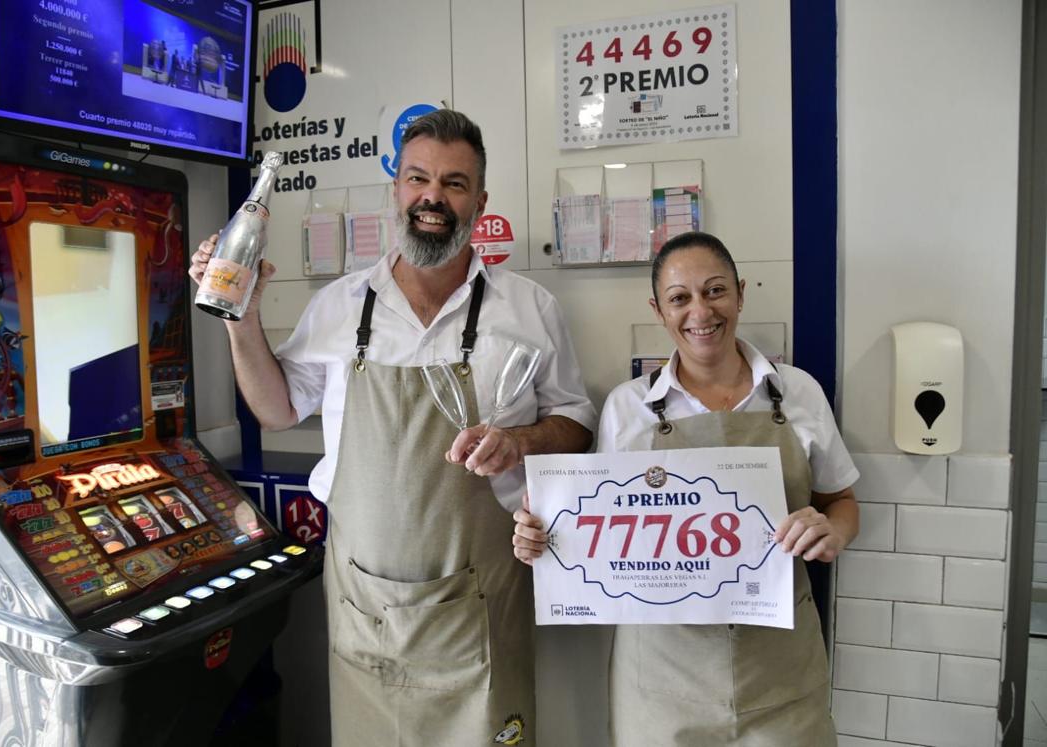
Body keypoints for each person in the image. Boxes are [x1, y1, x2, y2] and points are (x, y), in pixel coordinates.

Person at [189, 109, 596, 745]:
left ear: (480, 201)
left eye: (455, 183)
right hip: (365, 605)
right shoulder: (340, 305)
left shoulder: (529, 308)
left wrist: (520, 442)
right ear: (396, 189)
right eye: (418, 179)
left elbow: (576, 423)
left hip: (483, 602)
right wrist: (240, 316)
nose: (433, 197)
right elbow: (275, 409)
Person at [512, 231, 859, 745]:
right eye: (680, 298)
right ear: (659, 309)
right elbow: (598, 530)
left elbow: (841, 500)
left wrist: (832, 530)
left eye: (715, 290)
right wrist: (543, 537)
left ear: (740, 293)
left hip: (781, 668)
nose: (700, 311)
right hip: (660, 677)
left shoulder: (799, 392)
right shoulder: (628, 408)